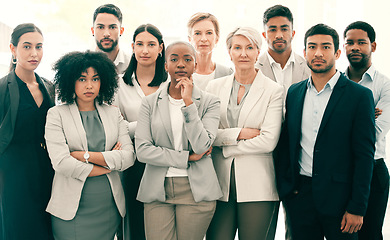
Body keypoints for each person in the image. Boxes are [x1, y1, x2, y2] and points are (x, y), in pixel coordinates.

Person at [275, 23, 376, 240]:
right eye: (312, 47)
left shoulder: (359, 96)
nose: (318, 53)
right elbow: (288, 143)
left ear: (337, 53)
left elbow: (364, 155)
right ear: (304, 53)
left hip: (342, 201)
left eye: (325, 47)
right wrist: (287, 190)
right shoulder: (294, 92)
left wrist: (357, 207)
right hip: (299, 198)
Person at [135, 41, 222, 240]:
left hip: (196, 191)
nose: (180, 64)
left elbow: (202, 145)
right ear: (166, 66)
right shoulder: (149, 103)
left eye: (187, 59)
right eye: (174, 59)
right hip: (157, 190)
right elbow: (142, 150)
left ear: (195, 65)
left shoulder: (210, 102)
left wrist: (188, 102)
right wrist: (186, 158)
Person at [45, 51, 135, 240]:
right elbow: (62, 163)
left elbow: (128, 157)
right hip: (71, 211)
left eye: (95, 79)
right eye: (82, 79)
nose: (89, 85)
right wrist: (109, 165)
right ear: (71, 81)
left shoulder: (113, 113)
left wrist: (83, 156)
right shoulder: (56, 115)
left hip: (109, 207)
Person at [206, 27, 284, 240]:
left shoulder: (273, 90)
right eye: (237, 47)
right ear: (229, 52)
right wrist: (239, 133)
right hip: (219, 183)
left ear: (258, 51)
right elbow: (208, 134)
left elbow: (268, 141)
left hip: (258, 184)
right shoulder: (213, 87)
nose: (243, 53)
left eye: (249, 48)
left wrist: (227, 148)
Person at [0, 23, 54, 240]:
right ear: (13, 49)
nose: (34, 53)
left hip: (46, 172)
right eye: (27, 47)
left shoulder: (49, 87)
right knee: (17, 229)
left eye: (39, 47)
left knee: (45, 230)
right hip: (14, 175)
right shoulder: (2, 88)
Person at [115, 23, 168, 240]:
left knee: (162, 228)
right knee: (135, 227)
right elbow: (116, 129)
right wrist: (150, 124)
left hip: (165, 163)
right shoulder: (119, 85)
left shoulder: (170, 83)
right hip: (132, 164)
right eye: (140, 44)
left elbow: (175, 127)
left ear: (161, 48)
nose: (145, 50)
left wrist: (135, 126)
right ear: (133, 47)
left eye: (151, 44)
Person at [343, 21, 390, 240]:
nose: (355, 47)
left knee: (370, 235)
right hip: (340, 171)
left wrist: (343, 121)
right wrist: (365, 117)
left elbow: (376, 133)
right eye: (349, 43)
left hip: (373, 171)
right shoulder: (335, 82)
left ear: (373, 46)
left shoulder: (384, 85)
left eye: (361, 43)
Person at [256, 5, 310, 99]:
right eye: (273, 30)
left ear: (293, 33)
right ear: (264, 35)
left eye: (284, 29)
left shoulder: (308, 68)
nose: (279, 35)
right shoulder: (254, 69)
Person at [187, 12, 233, 90]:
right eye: (197, 33)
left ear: (217, 38)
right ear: (190, 39)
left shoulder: (227, 74)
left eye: (209, 33)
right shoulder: (181, 73)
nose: (203, 39)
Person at [91, 4, 130, 74]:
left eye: (112, 27)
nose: (106, 34)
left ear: (121, 31)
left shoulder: (132, 64)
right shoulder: (81, 65)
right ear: (93, 31)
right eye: (100, 27)